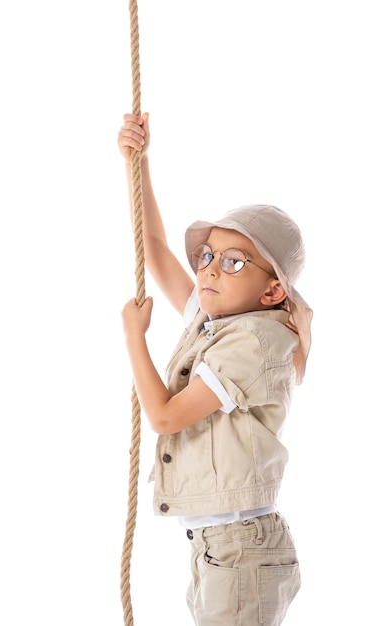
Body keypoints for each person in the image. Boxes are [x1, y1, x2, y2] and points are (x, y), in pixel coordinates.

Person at [118, 112, 312, 626]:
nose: (207, 268)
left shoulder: (252, 343)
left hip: (240, 552)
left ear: (272, 291)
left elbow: (164, 416)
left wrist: (134, 339)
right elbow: (156, 253)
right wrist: (138, 166)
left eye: (233, 261)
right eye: (207, 256)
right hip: (218, 548)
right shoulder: (216, 320)